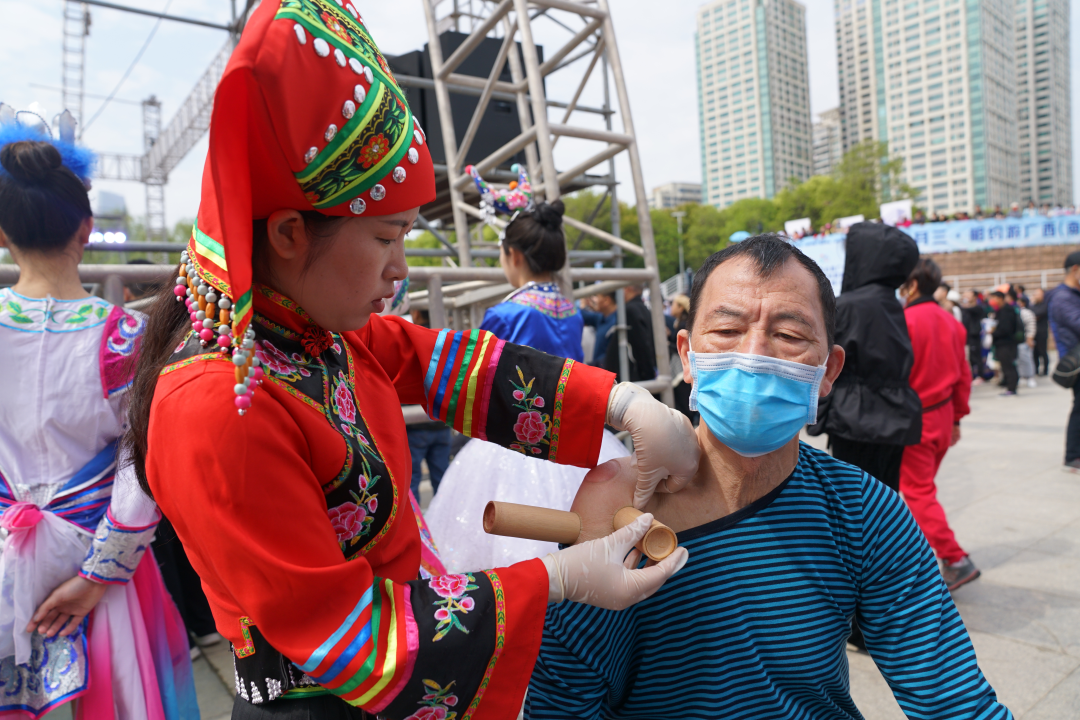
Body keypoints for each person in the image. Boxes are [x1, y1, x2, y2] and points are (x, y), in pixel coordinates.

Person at [122, 5, 696, 717]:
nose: (400, 269)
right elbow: (348, 639)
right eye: (385, 238)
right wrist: (555, 579)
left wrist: (619, 404)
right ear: (291, 233)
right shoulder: (217, 407)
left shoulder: (310, 327)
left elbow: (447, 364)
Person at [526, 236, 1012, 719]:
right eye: (727, 330)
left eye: (790, 336)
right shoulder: (614, 516)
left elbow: (955, 700)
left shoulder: (864, 512)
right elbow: (563, 706)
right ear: (687, 356)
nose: (754, 355)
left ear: (828, 370)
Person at [0, 115, 196, 717]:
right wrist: (96, 576)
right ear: (86, 228)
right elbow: (143, 466)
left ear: (3, 232)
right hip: (102, 564)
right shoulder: (125, 337)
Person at [425, 165, 630, 572]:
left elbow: (481, 382)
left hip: (511, 442)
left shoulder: (505, 313)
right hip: (572, 435)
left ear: (513, 255)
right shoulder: (571, 310)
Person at [809, 222, 922, 495]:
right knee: (885, 497)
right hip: (895, 416)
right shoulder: (892, 303)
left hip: (855, 417)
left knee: (853, 496)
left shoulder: (848, 305)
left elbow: (826, 360)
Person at [899, 258, 979, 589]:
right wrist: (957, 418)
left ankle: (955, 557)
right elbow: (963, 376)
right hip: (943, 416)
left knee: (918, 493)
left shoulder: (903, 321)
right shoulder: (951, 321)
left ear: (914, 285)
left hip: (916, 419)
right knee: (923, 490)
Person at [404, 310, 452, 500]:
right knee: (444, 481)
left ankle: (418, 520)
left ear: (415, 313)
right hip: (441, 423)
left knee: (412, 482)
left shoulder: (408, 341)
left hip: (413, 425)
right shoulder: (446, 340)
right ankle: (447, 516)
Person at [1047, 251, 1080, 472]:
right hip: (1076, 363)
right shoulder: (1062, 297)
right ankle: (1073, 455)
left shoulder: (1073, 294)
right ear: (1075, 270)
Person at [603, 283, 656, 381]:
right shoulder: (643, 308)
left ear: (627, 288)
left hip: (632, 378)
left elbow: (641, 347)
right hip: (638, 377)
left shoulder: (629, 310)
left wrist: (647, 375)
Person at [988, 290, 1020, 395]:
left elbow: (1006, 329)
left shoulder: (1007, 311)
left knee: (1008, 365)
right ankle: (1008, 384)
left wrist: (993, 332)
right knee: (1004, 365)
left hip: (1006, 343)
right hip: (1001, 343)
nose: (992, 301)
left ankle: (1012, 388)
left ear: (1000, 298)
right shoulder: (1000, 310)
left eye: (994, 298)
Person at [580, 292, 617, 365]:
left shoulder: (616, 323)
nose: (595, 300)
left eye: (597, 297)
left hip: (606, 369)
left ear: (606, 300)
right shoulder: (602, 318)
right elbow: (582, 314)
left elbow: (610, 357)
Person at [960, 289, 988, 381]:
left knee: (976, 356)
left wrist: (965, 303)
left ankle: (980, 376)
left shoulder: (978, 308)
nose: (966, 297)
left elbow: (968, 309)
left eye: (968, 295)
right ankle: (971, 376)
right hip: (966, 336)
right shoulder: (964, 309)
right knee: (969, 357)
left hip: (974, 335)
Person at [1017, 296, 1037, 388]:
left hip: (1026, 340)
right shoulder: (1015, 311)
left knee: (1027, 359)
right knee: (1019, 360)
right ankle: (1022, 376)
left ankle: (1030, 377)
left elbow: (1031, 326)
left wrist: (1030, 338)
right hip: (1017, 340)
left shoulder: (1026, 313)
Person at [1030, 286, 1050, 376]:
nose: (1036, 296)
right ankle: (1036, 369)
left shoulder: (1045, 305)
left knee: (1042, 352)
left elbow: (1037, 314)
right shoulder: (1033, 305)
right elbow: (1030, 314)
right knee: (1035, 353)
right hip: (1034, 332)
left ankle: (1045, 370)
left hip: (1042, 332)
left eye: (1038, 294)